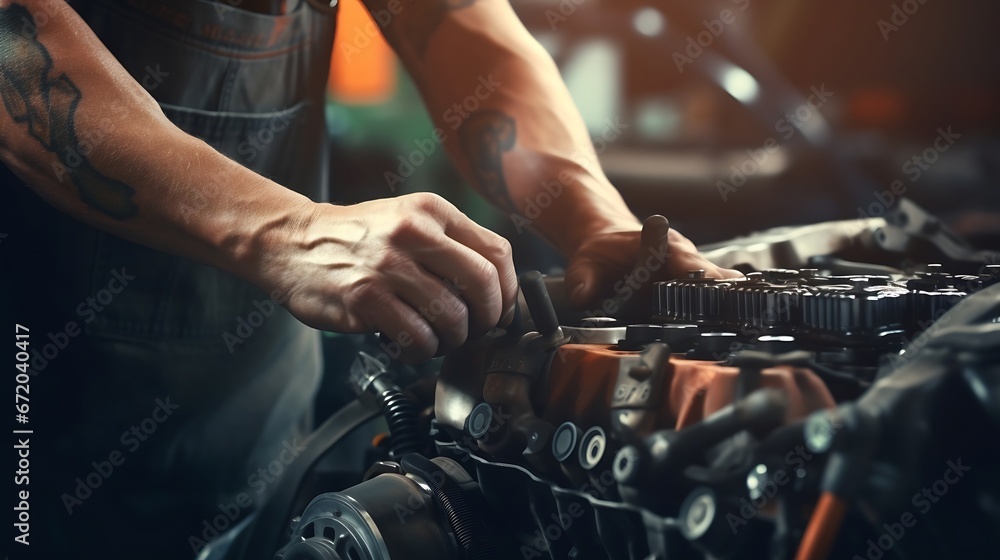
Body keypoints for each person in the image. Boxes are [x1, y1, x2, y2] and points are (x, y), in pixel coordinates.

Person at [0, 0, 738, 557]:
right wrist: (284, 231)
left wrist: (595, 223)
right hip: (41, 453)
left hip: (260, 446)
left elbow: (456, 24)